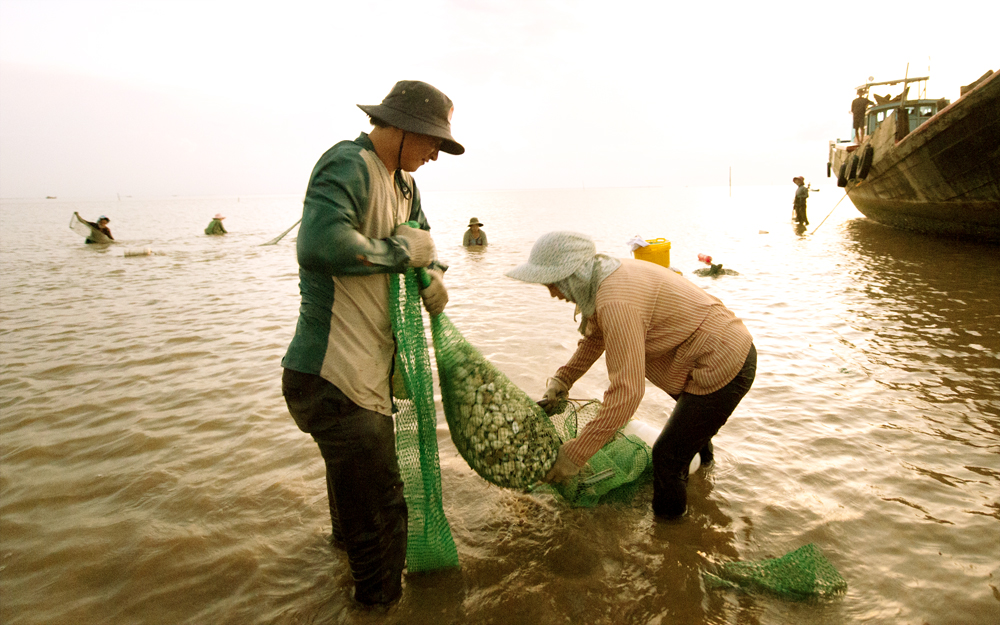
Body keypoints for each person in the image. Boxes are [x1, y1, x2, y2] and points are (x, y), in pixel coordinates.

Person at [280, 80, 462, 607]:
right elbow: (319, 245)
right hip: (332, 375)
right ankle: (379, 608)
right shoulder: (347, 164)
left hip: (364, 378)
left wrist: (432, 273)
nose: (434, 154)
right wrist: (398, 254)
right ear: (400, 129)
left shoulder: (406, 186)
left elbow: (421, 244)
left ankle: (348, 590)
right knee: (381, 508)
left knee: (353, 511)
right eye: (431, 142)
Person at [505, 231, 756, 519]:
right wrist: (564, 379)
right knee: (688, 436)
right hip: (705, 357)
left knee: (666, 458)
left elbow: (628, 394)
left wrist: (574, 456)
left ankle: (671, 543)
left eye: (553, 284)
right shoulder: (603, 277)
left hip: (723, 361)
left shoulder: (615, 300)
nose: (552, 293)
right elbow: (596, 337)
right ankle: (702, 493)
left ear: (571, 276)